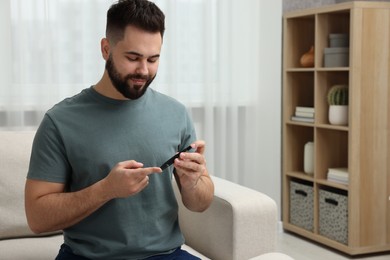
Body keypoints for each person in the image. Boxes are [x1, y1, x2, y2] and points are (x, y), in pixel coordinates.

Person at [24, 0, 214, 259]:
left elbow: (200, 203)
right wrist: (106, 189)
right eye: (133, 58)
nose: (144, 71)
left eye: (153, 59)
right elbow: (37, 218)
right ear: (106, 49)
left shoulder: (176, 114)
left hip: (165, 255)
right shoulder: (60, 121)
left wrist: (194, 183)